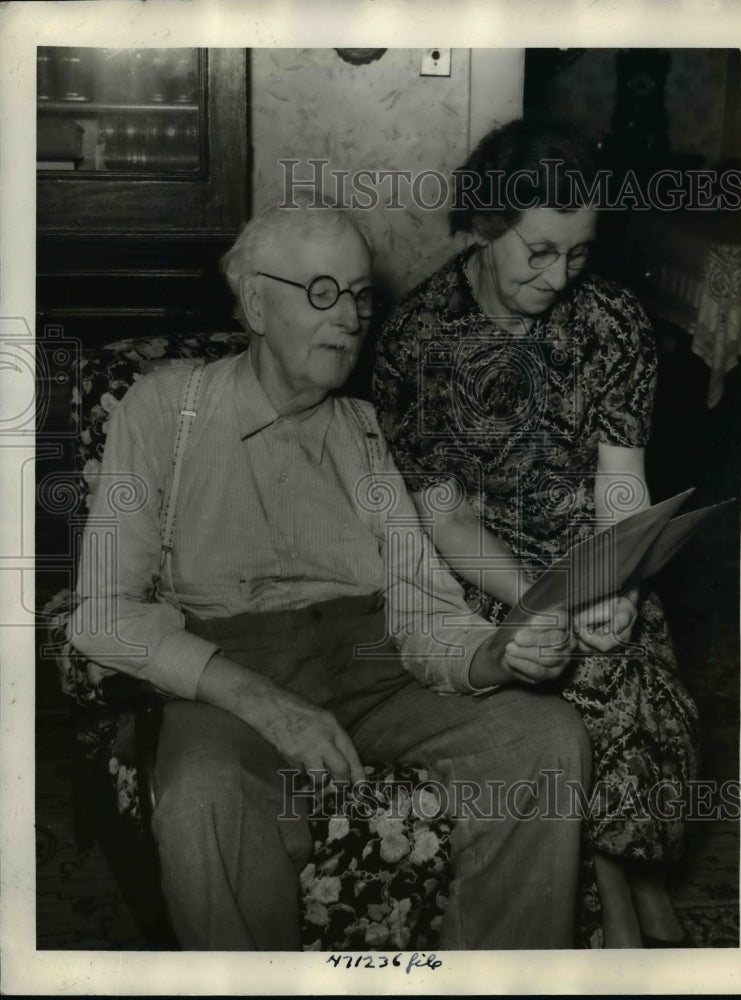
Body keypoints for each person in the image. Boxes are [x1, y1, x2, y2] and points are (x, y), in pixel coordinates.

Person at [68, 194, 592, 951]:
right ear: (256, 302)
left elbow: (422, 610)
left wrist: (494, 654)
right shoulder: (162, 411)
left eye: (358, 295)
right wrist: (265, 704)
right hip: (229, 678)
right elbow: (102, 613)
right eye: (322, 292)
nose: (348, 317)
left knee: (545, 738)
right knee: (204, 795)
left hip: (375, 671)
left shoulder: (369, 431)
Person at [372, 120, 700, 948]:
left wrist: (616, 580)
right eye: (540, 252)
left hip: (592, 548)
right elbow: (444, 516)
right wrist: (543, 601)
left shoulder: (613, 321)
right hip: (480, 562)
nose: (559, 278)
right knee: (570, 673)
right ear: (486, 224)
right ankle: (617, 894)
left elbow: (619, 479)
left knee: (636, 662)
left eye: (579, 254)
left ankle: (632, 873)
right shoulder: (417, 339)